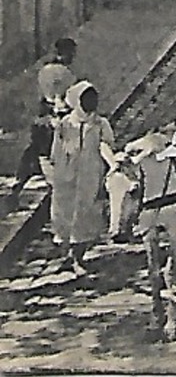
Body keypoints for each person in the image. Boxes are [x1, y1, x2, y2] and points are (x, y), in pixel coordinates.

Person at [50, 81, 116, 276]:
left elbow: (106, 145)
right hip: (66, 177)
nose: (90, 104)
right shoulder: (65, 124)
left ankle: (78, 257)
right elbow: (55, 152)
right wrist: (58, 174)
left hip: (90, 176)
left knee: (86, 216)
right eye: (86, 100)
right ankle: (69, 255)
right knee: (65, 216)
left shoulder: (100, 124)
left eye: (92, 99)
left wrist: (111, 164)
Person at [6, 38, 78, 210]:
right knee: (56, 157)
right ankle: (61, 198)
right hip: (56, 120)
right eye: (72, 53)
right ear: (67, 53)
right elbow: (64, 100)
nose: (73, 57)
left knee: (34, 154)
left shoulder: (44, 70)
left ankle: (17, 187)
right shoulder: (64, 73)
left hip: (41, 119)